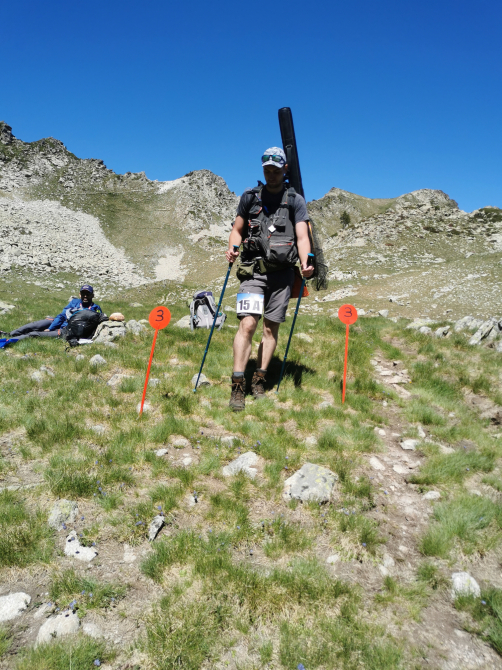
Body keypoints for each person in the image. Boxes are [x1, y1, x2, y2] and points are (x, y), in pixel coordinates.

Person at [226, 147, 314, 411]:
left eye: (276, 170)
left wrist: (306, 262)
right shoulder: (249, 197)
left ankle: (259, 380)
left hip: (283, 274)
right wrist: (232, 248)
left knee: (270, 328)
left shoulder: (295, 200)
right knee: (248, 325)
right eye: (267, 170)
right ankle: (238, 385)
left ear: (284, 169)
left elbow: (302, 236)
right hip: (253, 271)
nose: (271, 175)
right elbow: (237, 230)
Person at [2, 285, 103, 340]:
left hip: (66, 330)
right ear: (80, 294)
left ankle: (11, 340)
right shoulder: (74, 302)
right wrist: (50, 328)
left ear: (92, 295)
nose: (85, 296)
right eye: (83, 293)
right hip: (57, 322)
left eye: (88, 294)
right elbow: (62, 315)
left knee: (35, 334)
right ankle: (10, 334)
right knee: (34, 325)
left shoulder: (95, 308)